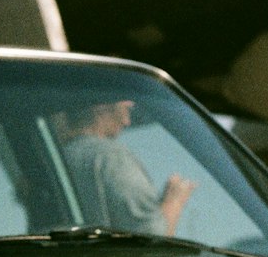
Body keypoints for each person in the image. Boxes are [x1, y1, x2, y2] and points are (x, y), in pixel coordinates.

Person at [62, 99, 197, 236]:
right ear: (102, 106)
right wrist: (174, 200)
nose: (127, 122)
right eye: (125, 110)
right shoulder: (110, 157)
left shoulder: (60, 157)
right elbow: (151, 238)